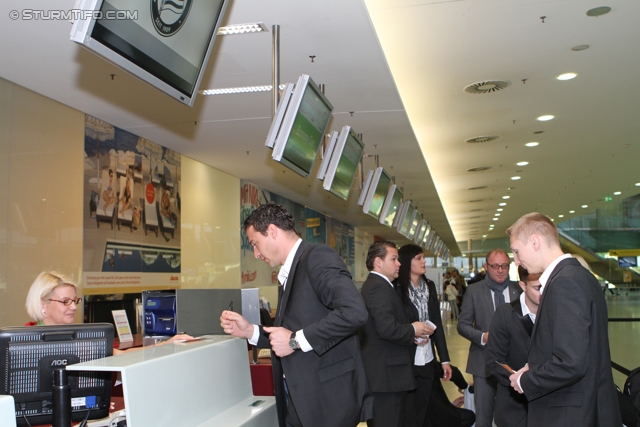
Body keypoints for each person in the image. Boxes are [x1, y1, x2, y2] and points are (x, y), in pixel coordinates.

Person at [220, 203, 372, 427]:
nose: (256, 253)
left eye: (255, 244)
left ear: (272, 231)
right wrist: (250, 331)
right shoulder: (289, 272)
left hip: (326, 403)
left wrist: (294, 340)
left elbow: (355, 312)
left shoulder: (317, 258)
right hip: (300, 400)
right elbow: (288, 333)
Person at [506, 213, 621, 427]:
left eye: (516, 251)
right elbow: (578, 348)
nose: (517, 261)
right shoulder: (581, 276)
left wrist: (525, 380)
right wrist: (533, 366)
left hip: (569, 414)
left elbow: (570, 363)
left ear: (535, 242)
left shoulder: (563, 284)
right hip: (587, 406)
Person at [25, 271, 191, 354]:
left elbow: (123, 356)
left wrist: (168, 344)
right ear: (43, 304)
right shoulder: (25, 342)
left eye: (75, 301)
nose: (74, 307)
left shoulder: (81, 337)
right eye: (66, 302)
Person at [359, 241, 430, 427]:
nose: (399, 263)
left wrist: (412, 336)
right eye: (394, 259)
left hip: (389, 376)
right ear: (378, 262)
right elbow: (386, 328)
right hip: (385, 378)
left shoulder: (382, 286)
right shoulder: (377, 287)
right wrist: (414, 328)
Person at [456, 249, 521, 427]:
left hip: (514, 366)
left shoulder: (519, 289)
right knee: (483, 417)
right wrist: (483, 336)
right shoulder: (474, 291)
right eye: (495, 266)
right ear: (486, 266)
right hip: (482, 363)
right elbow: (462, 325)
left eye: (504, 266)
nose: (500, 270)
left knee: (513, 417)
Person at [396, 244, 451, 427]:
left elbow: (437, 322)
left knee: (423, 408)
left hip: (427, 357)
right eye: (418, 258)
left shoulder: (429, 286)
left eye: (423, 257)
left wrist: (444, 359)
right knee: (408, 410)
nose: (423, 261)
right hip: (407, 358)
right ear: (406, 262)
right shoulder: (397, 289)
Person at [485, 266, 541, 427]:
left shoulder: (556, 312)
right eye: (537, 288)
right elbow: (494, 361)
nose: (543, 293)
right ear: (523, 285)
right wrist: (521, 380)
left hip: (548, 407)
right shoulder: (505, 314)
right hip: (513, 407)